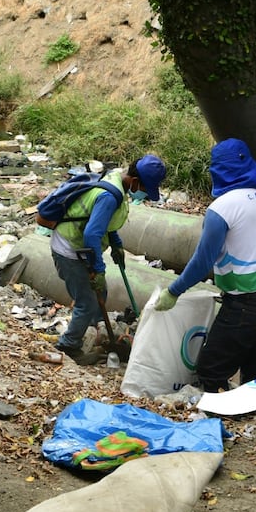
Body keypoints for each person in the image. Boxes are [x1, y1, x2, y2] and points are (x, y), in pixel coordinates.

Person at [154, 138, 256, 392]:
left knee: (211, 367)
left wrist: (173, 291)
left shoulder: (222, 208)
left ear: (218, 170)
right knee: (249, 351)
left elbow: (202, 261)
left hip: (249, 302)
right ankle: (251, 406)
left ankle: (219, 419)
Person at [53, 154, 167, 364]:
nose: (143, 194)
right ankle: (69, 346)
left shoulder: (116, 180)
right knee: (86, 301)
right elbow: (91, 234)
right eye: (144, 188)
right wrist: (98, 267)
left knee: (101, 292)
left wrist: (116, 243)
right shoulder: (110, 196)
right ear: (134, 181)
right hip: (69, 248)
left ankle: (100, 332)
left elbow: (103, 222)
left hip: (79, 246)